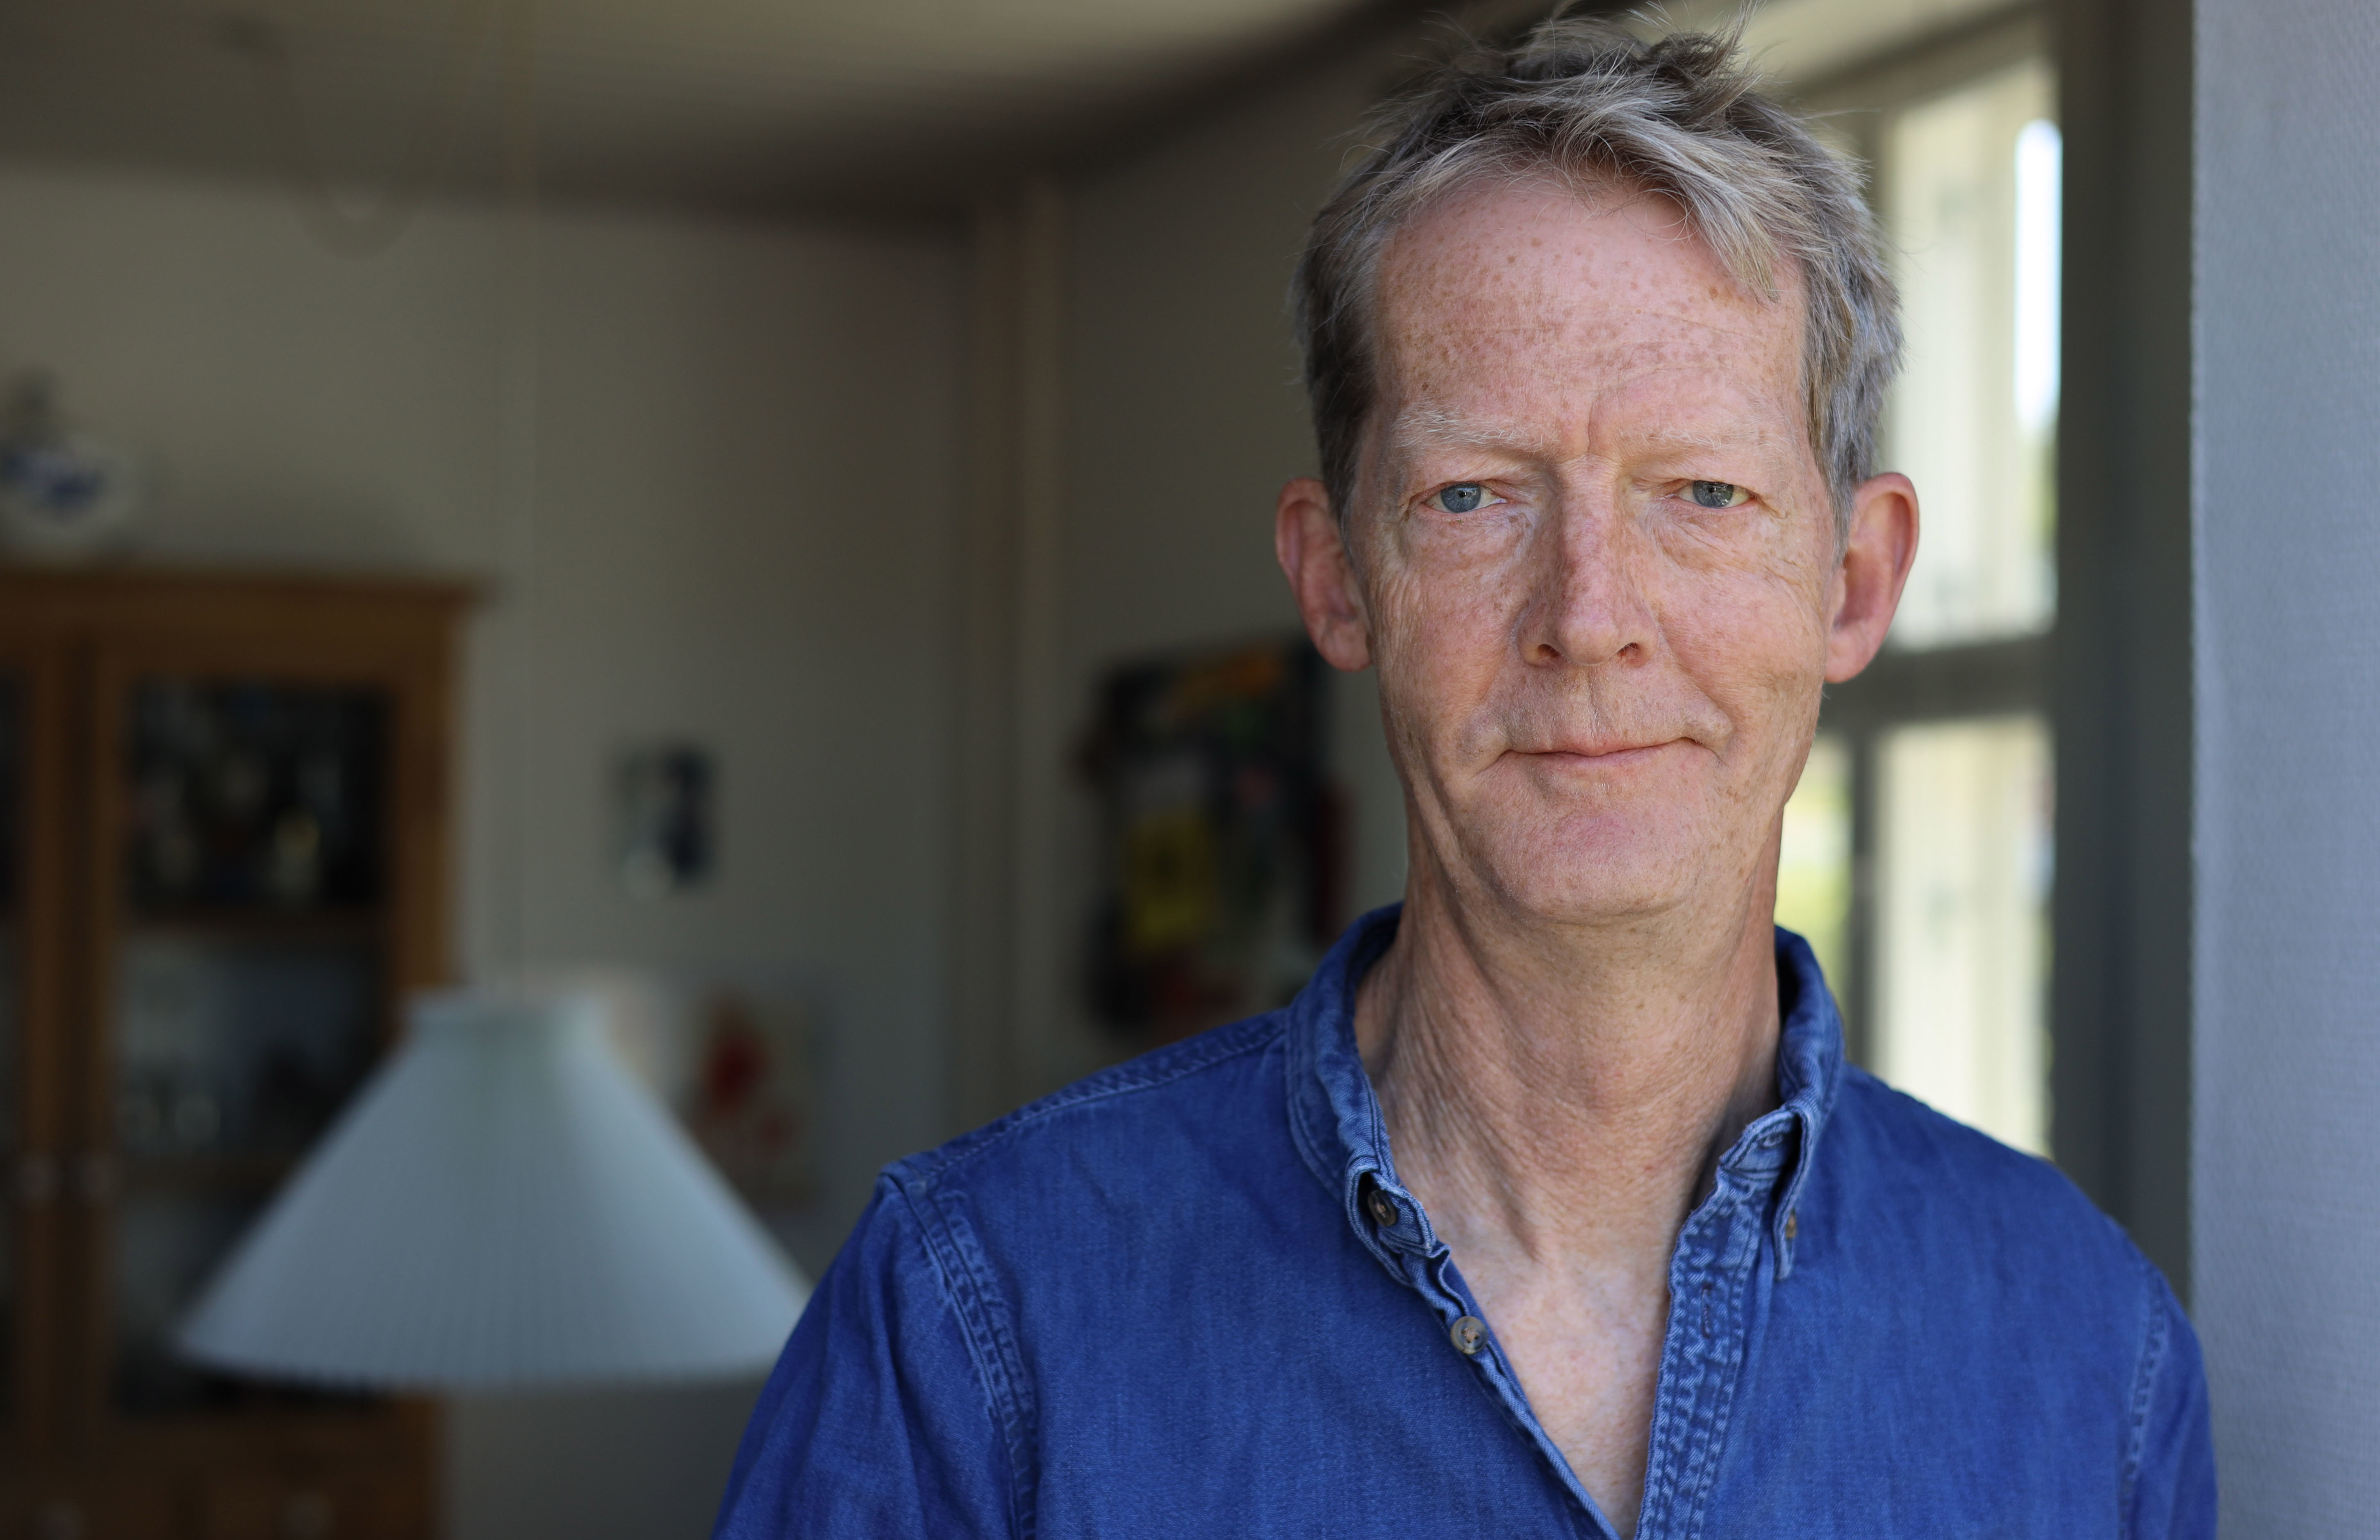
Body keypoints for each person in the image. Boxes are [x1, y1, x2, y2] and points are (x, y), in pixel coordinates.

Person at [714, 16, 2215, 1538]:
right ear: (1338, 577)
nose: (1589, 616)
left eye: (1704, 492)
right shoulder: (975, 1327)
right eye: (1474, 496)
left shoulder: (2092, 1359)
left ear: (1856, 580)